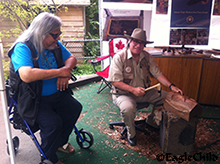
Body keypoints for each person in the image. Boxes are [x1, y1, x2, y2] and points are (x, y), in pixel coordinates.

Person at [9, 12, 82, 164]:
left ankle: (60, 143)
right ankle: (49, 158)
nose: (58, 38)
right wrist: (60, 71)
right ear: (41, 34)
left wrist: (65, 72)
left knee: (75, 108)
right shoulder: (22, 47)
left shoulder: (53, 44)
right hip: (34, 100)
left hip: (57, 94)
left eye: (59, 34)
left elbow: (71, 58)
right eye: (55, 35)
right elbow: (26, 74)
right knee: (53, 123)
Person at [108, 28, 183, 146]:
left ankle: (152, 122)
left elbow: (158, 74)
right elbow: (115, 82)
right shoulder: (119, 57)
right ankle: (131, 134)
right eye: (135, 42)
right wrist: (133, 90)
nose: (138, 45)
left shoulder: (147, 57)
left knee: (168, 98)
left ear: (144, 45)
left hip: (144, 91)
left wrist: (171, 86)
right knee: (128, 109)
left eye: (142, 43)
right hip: (123, 94)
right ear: (130, 41)